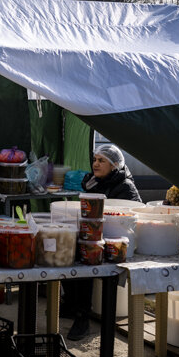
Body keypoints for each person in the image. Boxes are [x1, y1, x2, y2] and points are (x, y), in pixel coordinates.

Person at [65, 144, 141, 341]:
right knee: (68, 250)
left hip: (119, 241)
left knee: (87, 258)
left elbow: (131, 217)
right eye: (95, 160)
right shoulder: (93, 182)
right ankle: (72, 305)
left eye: (101, 161)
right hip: (97, 236)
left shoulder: (125, 186)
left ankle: (83, 316)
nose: (95, 164)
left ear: (115, 165)